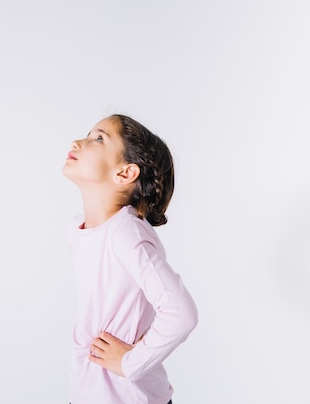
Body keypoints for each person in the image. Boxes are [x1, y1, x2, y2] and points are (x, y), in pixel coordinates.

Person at [62, 114, 198, 404]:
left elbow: (180, 312)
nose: (78, 142)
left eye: (99, 138)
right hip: (86, 392)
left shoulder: (125, 233)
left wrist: (130, 363)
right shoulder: (77, 231)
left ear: (125, 174)